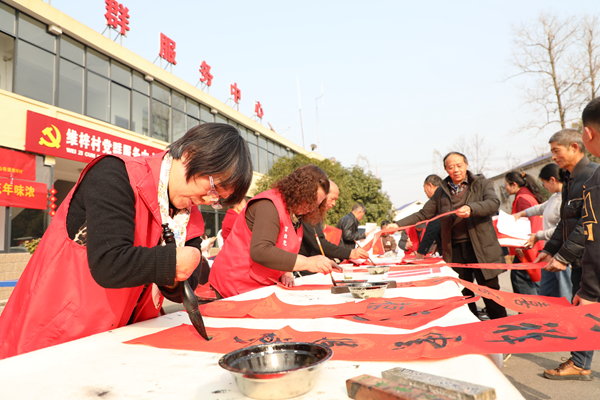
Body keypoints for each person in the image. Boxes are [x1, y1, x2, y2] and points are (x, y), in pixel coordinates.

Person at [0, 123, 253, 359]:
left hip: (114, 341)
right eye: (213, 187)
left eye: (220, 198)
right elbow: (108, 263)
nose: (211, 200)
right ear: (190, 153)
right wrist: (173, 261)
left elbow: (180, 292)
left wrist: (180, 273)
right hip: (54, 337)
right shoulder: (116, 174)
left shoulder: (191, 218)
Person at [396, 152, 507, 320]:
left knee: (490, 292)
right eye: (451, 167)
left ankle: (502, 327)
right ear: (446, 170)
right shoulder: (442, 191)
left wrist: (471, 209)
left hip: (481, 247)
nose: (455, 170)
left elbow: (493, 204)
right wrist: (397, 224)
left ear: (466, 165)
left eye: (459, 165)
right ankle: (472, 330)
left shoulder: (481, 184)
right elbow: (424, 214)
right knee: (463, 294)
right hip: (455, 250)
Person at [209, 165, 338, 298]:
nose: (311, 209)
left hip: (260, 287)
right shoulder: (268, 205)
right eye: (310, 202)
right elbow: (261, 250)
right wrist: (308, 263)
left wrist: (285, 271)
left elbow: (283, 249)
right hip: (235, 286)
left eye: (316, 205)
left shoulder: (296, 215)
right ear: (299, 191)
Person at [542, 106, 600, 380]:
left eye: (557, 151)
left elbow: (586, 226)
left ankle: (580, 362)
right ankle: (580, 362)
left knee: (586, 313)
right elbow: (566, 222)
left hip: (588, 260)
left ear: (578, 144)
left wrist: (563, 256)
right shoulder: (571, 180)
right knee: (584, 315)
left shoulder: (592, 176)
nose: (554, 158)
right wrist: (548, 250)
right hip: (584, 260)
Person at [512, 163, 570, 299]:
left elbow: (562, 229)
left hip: (562, 251)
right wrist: (520, 214)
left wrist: (539, 236)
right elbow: (539, 208)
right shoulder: (555, 197)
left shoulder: (565, 199)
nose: (544, 187)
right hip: (549, 249)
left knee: (564, 290)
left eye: (544, 183)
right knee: (547, 291)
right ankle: (549, 318)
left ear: (553, 180)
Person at [299, 181, 369, 263]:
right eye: (332, 199)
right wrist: (350, 253)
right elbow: (319, 244)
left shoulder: (317, 214)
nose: (334, 204)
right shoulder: (309, 213)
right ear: (322, 195)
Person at [504, 171, 545, 295]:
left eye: (506, 185)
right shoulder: (528, 196)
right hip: (533, 248)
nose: (505, 188)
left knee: (524, 288)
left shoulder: (522, 199)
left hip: (527, 250)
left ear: (514, 184)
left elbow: (525, 228)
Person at [415, 174, 443, 259]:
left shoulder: (441, 199)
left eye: (425, 191)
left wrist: (421, 251)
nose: (426, 194)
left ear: (430, 186)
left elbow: (434, 224)